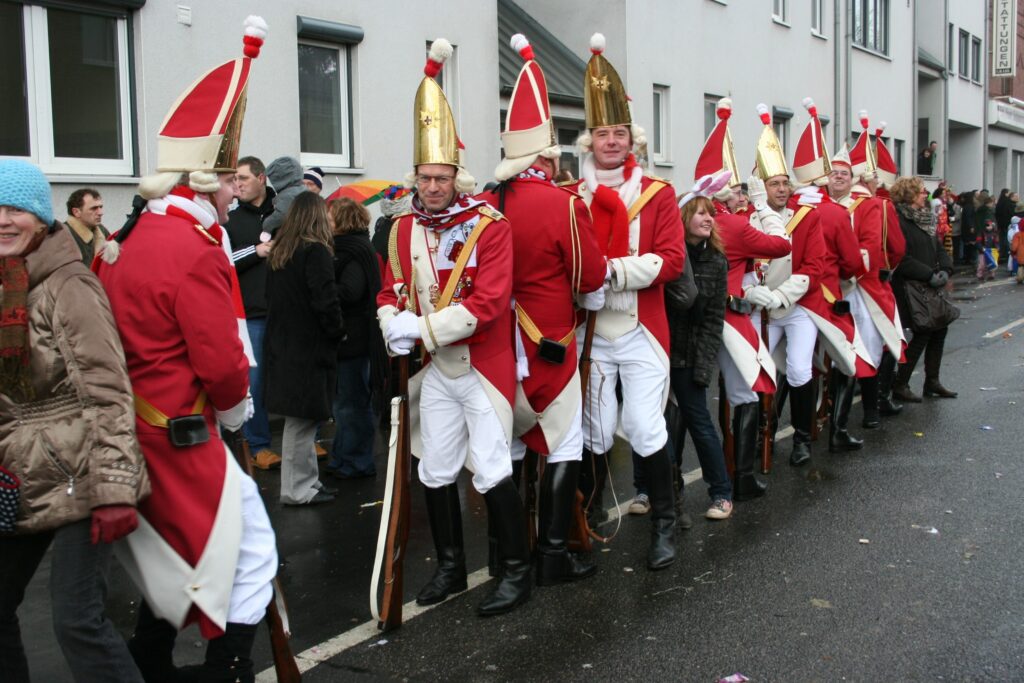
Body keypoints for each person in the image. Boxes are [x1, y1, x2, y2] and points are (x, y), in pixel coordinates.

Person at [94, 19, 279, 681]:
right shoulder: (194, 249)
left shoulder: (133, 237)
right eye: (228, 179)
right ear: (204, 181)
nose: (236, 190)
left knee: (177, 560)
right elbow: (222, 366)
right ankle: (227, 670)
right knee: (253, 553)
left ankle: (153, 661)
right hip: (183, 434)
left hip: (141, 429)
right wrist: (235, 419)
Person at [377, 39, 530, 616]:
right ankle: (450, 568)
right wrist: (390, 317)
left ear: (456, 177)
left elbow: (489, 303)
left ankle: (516, 573)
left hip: (482, 366)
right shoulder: (399, 228)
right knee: (435, 469)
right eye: (425, 177)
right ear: (414, 176)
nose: (433, 187)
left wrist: (419, 328)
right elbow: (389, 286)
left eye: (442, 178)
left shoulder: (490, 227)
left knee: (492, 469)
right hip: (437, 369)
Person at [0, 159, 148, 683]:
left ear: (40, 217)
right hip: (21, 476)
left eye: (14, 208)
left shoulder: (69, 285)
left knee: (77, 621)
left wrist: (113, 489)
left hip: (83, 475)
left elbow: (108, 391)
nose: (2, 220)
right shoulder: (5, 284)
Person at [480, 34, 606, 585]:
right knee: (563, 444)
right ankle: (552, 555)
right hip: (549, 343)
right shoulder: (563, 205)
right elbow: (591, 276)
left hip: (494, 346)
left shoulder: (484, 204)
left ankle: (502, 555)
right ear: (548, 157)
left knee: (503, 447)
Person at [568, 34, 685, 570]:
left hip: (640, 331)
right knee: (591, 430)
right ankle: (588, 517)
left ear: (630, 141)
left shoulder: (658, 194)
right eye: (601, 133)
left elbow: (671, 261)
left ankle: (665, 520)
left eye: (618, 133)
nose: (610, 141)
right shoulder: (571, 196)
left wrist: (608, 271)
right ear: (588, 141)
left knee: (642, 425)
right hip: (589, 332)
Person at [690, 99, 789, 500]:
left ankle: (675, 487)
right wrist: (762, 205)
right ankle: (741, 475)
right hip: (729, 318)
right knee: (746, 392)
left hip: (691, 319)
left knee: (687, 401)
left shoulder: (686, 218)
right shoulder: (732, 223)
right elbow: (781, 244)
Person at [743, 104, 827, 467]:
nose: (781, 189)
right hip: (761, 310)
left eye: (784, 183)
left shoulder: (806, 218)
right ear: (761, 187)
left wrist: (780, 295)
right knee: (756, 371)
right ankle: (764, 433)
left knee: (798, 369)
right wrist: (752, 292)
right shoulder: (749, 220)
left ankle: (803, 439)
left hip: (796, 308)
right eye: (774, 184)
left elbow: (813, 267)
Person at [264, 192, 345, 504]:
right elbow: (325, 299)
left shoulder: (281, 252)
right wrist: (338, 331)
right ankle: (297, 489)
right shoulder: (315, 252)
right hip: (309, 345)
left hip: (284, 342)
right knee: (302, 420)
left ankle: (307, 482)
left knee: (301, 418)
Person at [837, 112, 906, 433]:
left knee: (843, 346)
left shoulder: (835, 204)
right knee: (878, 344)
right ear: (870, 178)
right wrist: (885, 269)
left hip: (838, 287)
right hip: (872, 287)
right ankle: (872, 410)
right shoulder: (880, 206)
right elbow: (897, 247)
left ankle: (832, 419)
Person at [670, 191, 733, 519]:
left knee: (701, 426)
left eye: (711, 213)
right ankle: (660, 489)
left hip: (692, 357)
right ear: (683, 219)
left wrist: (703, 367)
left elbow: (713, 321)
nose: (709, 218)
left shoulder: (717, 260)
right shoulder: (668, 255)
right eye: (700, 213)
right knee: (662, 429)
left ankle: (721, 493)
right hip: (663, 354)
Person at [226, 155, 280, 470]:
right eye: (234, 181)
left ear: (261, 178)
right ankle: (258, 445)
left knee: (290, 377)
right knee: (255, 382)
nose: (237, 186)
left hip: (285, 310)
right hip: (253, 313)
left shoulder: (283, 212)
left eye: (243, 179)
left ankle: (303, 440)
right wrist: (255, 252)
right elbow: (223, 258)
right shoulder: (232, 220)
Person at [327, 197, 385, 479]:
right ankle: (343, 458)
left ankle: (356, 462)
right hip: (352, 337)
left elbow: (350, 291)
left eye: (330, 217)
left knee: (351, 403)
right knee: (347, 402)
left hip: (354, 338)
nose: (326, 221)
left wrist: (322, 288)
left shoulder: (353, 250)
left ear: (342, 220)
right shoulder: (356, 248)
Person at [890, 176, 957, 402]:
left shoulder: (925, 219)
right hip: (909, 286)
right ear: (908, 195)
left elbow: (938, 247)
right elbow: (901, 257)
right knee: (923, 332)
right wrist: (928, 274)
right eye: (921, 192)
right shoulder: (898, 221)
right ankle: (900, 383)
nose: (925, 196)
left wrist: (946, 269)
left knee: (940, 329)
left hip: (930, 285)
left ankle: (932, 381)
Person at [63, 188, 108, 265]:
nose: (100, 213)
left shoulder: (101, 230)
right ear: (76, 212)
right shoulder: (63, 236)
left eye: (101, 207)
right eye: (94, 208)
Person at [1010, 217, 1024, 284]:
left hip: (1021, 254)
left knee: (1021, 266)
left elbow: (1014, 246)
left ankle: (1020, 278)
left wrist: (1013, 252)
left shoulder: (1017, 235)